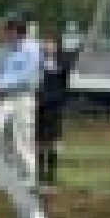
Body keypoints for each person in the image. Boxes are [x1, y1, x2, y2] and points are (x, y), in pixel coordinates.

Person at [0, 14, 42, 184]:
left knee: (22, 136)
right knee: (1, 135)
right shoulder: (7, 50)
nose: (4, 35)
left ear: (16, 31)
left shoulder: (31, 49)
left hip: (22, 97)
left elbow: (25, 76)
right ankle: (7, 175)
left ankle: (29, 177)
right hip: (4, 98)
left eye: (7, 31)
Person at [35, 33, 72, 186]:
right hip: (39, 105)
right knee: (39, 139)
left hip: (55, 106)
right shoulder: (38, 62)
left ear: (57, 46)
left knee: (52, 140)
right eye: (46, 43)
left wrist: (60, 100)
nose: (48, 46)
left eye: (51, 43)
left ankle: (51, 173)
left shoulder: (62, 63)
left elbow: (65, 84)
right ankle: (39, 172)